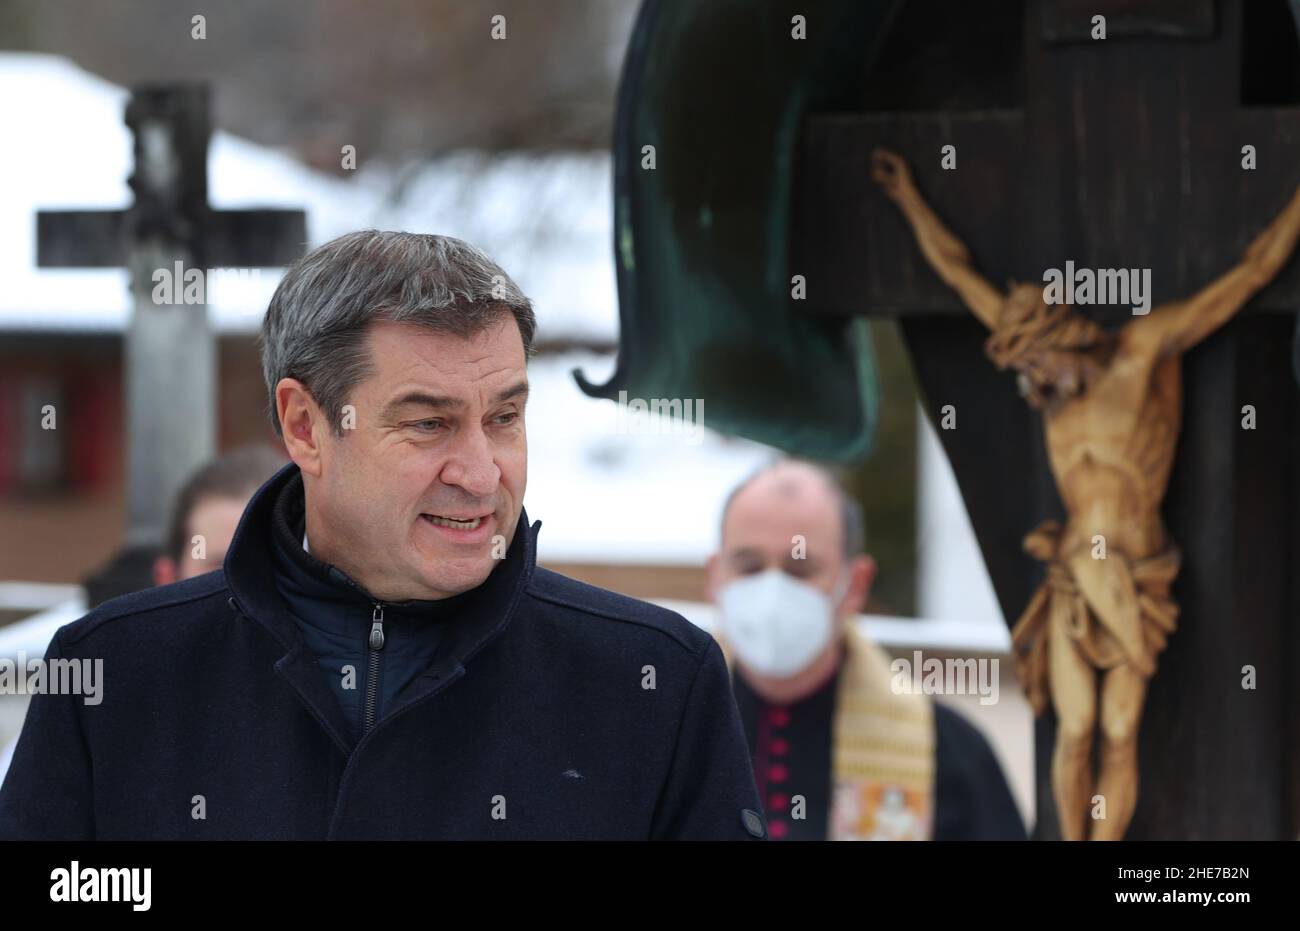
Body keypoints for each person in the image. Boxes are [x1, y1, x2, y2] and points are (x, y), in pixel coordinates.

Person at [0, 231, 764, 840]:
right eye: (428, 422)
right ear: (306, 426)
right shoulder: (115, 675)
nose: (479, 471)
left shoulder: (654, 680)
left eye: (504, 417)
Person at [707, 460, 1026, 840]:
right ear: (715, 575)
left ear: (856, 583)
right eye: (750, 567)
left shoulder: (948, 752)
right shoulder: (673, 724)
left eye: (800, 569)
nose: (772, 591)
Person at [0, 445, 286, 788]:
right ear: (167, 579)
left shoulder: (352, 708)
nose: (251, 584)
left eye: (275, 563)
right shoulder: (95, 719)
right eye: (219, 569)